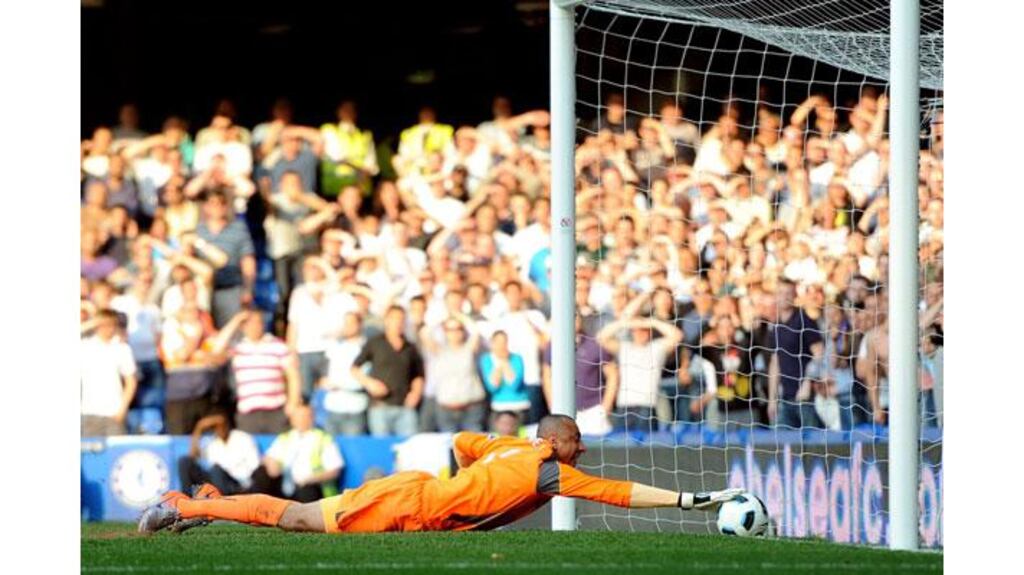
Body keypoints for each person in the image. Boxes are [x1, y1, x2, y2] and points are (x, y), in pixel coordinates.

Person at [140, 414, 742, 534]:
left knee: (298, 519)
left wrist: (466, 484)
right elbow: (621, 493)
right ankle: (182, 506)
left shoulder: (509, 445)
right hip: (412, 507)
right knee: (296, 519)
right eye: (577, 442)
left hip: (419, 492)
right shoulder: (547, 471)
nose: (581, 452)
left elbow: (461, 441)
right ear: (556, 441)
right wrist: (696, 499)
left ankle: (212, 499)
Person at [210, 311, 302, 434]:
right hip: (248, 413)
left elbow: (292, 376)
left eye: (258, 323)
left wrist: (292, 403)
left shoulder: (277, 346)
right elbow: (215, 349)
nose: (255, 327)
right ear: (243, 327)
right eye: (250, 323)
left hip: (276, 411)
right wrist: (235, 321)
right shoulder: (238, 348)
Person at [596, 317, 683, 433]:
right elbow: (601, 337)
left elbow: (677, 336)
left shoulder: (657, 348)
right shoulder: (624, 347)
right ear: (632, 332)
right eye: (637, 330)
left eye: (645, 330)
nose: (641, 333)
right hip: (625, 406)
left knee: (645, 448)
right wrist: (625, 322)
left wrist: (653, 322)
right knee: (622, 446)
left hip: (647, 406)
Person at [350, 306, 425, 436]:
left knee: (408, 447)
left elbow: (418, 374)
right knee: (382, 449)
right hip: (380, 407)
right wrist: (370, 384)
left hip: (405, 408)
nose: (398, 323)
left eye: (401, 319)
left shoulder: (410, 347)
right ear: (386, 321)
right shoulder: (375, 343)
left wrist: (415, 393)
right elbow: (354, 368)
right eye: (394, 319)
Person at [257, 406, 345, 503]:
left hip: (312, 486)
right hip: (286, 485)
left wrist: (309, 479)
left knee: (306, 489)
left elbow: (335, 471)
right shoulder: (285, 437)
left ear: (312, 418)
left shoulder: (323, 439)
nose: (301, 420)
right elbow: (268, 457)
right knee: (261, 474)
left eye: (305, 417)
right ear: (292, 420)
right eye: (298, 417)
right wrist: (271, 463)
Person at [768, 280, 825, 429]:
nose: (784, 297)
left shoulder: (804, 320)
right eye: (781, 293)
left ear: (794, 295)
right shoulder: (775, 325)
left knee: (812, 444)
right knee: (784, 444)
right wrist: (772, 399)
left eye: (788, 293)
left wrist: (807, 383)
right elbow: (775, 363)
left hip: (806, 397)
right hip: (785, 398)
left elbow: (819, 353)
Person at [195, 189, 256, 328]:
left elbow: (248, 261)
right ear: (206, 206)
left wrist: (248, 289)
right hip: (204, 290)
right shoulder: (199, 230)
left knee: (232, 331)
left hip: (230, 288)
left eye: (221, 203)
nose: (217, 207)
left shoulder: (238, 229)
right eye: (213, 203)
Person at [418, 315, 487, 433]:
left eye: (458, 329)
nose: (454, 333)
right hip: (446, 410)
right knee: (450, 446)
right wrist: (442, 318)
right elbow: (424, 333)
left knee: (474, 447)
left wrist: (459, 315)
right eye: (450, 329)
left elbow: (475, 331)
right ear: (444, 332)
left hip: (471, 409)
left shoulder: (469, 349)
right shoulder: (439, 350)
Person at [81, 309, 138, 436]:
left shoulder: (122, 348)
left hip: (114, 412)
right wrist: (90, 323)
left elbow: (131, 382)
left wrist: (122, 409)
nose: (107, 328)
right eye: (102, 324)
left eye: (110, 324)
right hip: (88, 412)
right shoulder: (84, 347)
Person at [177, 414, 260, 496]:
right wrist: (198, 428)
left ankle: (221, 504)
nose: (219, 429)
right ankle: (187, 501)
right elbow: (193, 455)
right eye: (215, 426)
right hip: (216, 482)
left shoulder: (243, 438)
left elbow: (254, 468)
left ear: (227, 423)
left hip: (238, 483)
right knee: (184, 462)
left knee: (217, 470)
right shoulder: (213, 443)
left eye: (220, 425)